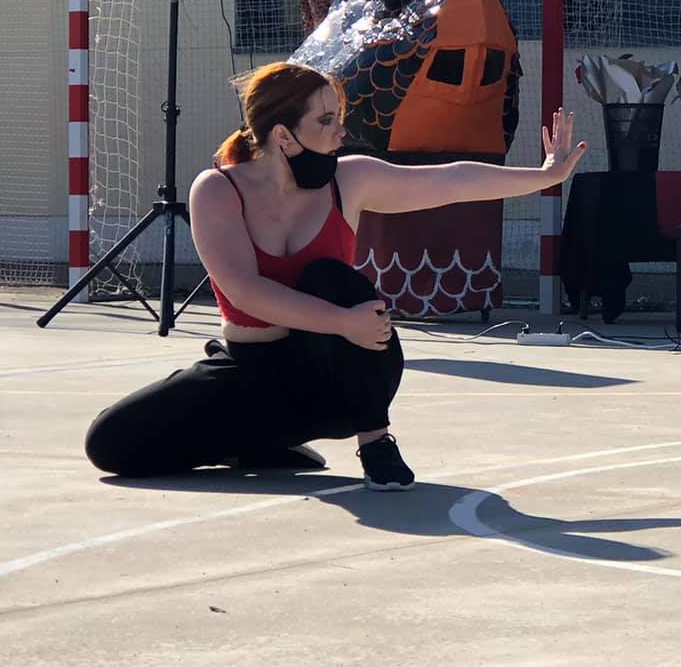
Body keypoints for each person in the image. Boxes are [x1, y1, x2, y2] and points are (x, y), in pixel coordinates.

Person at [85, 61, 586, 490]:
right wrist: (341, 322)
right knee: (110, 443)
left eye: (339, 118)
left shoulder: (351, 178)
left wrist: (545, 175)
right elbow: (246, 291)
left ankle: (377, 443)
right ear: (283, 135)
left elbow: (452, 180)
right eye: (326, 120)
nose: (340, 132)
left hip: (337, 382)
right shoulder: (217, 189)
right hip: (249, 372)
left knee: (332, 279)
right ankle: (258, 442)